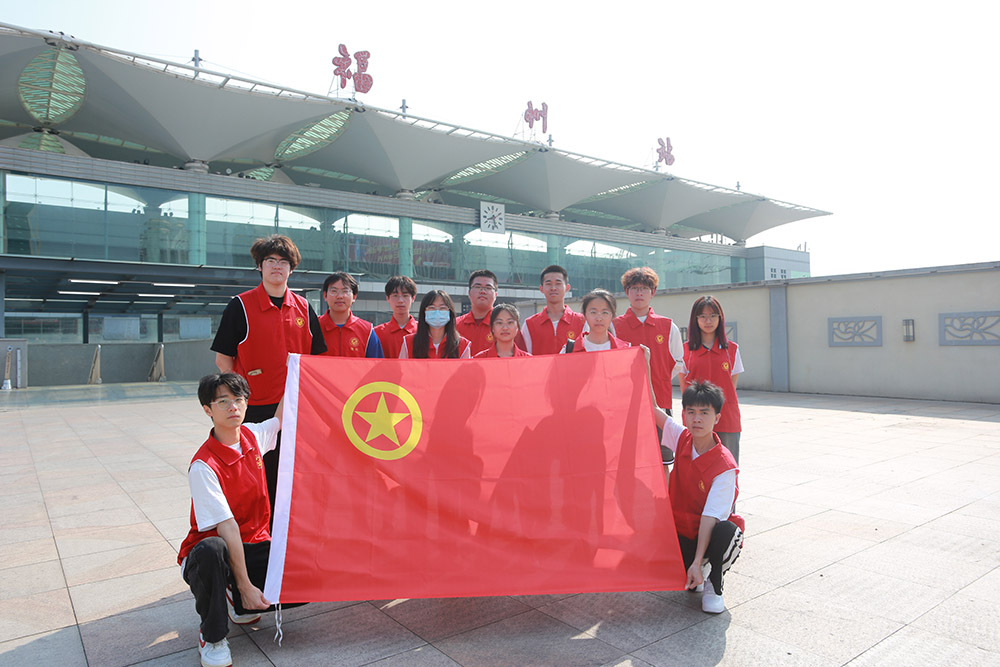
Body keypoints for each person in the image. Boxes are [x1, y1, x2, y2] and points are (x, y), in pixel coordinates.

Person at [211, 234, 325, 516]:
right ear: (260, 266)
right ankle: (260, 532)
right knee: (257, 476)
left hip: (296, 409)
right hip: (256, 410)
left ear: (291, 269)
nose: (277, 266)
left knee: (293, 473)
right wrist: (240, 395)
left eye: (283, 262)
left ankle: (288, 528)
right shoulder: (240, 306)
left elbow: (316, 360)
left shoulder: (303, 308)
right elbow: (223, 359)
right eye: (270, 260)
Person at [178, 373, 280, 667]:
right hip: (210, 554)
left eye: (238, 399)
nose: (233, 407)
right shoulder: (204, 466)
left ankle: (234, 596)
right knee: (213, 551)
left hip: (250, 544)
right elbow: (227, 528)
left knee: (297, 571)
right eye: (223, 401)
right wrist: (246, 586)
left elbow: (280, 419)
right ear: (207, 410)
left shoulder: (251, 436)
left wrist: (296, 371)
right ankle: (212, 637)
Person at [652, 380, 744, 614]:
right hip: (682, 532)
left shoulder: (724, 466)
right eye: (691, 412)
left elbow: (710, 517)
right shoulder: (682, 438)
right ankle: (697, 569)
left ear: (717, 418)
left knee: (727, 531)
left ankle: (714, 581)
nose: (697, 419)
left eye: (704, 413)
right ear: (684, 415)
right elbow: (653, 409)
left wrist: (696, 561)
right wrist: (646, 365)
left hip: (710, 534)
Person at [679, 296, 744, 463]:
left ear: (720, 318)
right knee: (697, 467)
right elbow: (684, 390)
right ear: (695, 319)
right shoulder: (685, 351)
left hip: (727, 419)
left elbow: (731, 386)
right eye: (703, 316)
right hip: (696, 420)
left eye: (713, 316)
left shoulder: (732, 349)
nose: (708, 321)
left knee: (727, 466)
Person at [613, 267, 685, 414]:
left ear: (653, 292)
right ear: (626, 292)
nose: (639, 293)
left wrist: (660, 377)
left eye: (645, 288)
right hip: (624, 402)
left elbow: (678, 362)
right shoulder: (614, 326)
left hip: (660, 401)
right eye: (634, 288)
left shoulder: (668, 326)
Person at [520, 264, 585, 355]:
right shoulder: (529, 324)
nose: (553, 288)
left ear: (567, 288)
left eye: (558, 284)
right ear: (541, 289)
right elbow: (523, 357)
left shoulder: (581, 321)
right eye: (548, 284)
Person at [319, 271, 384, 358]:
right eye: (334, 291)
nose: (340, 296)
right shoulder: (314, 327)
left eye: (345, 291)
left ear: (354, 297)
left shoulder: (367, 331)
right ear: (325, 295)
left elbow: (376, 364)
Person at [400, 290, 472, 359]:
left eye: (442, 308)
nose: (437, 312)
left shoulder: (463, 345)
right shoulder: (408, 343)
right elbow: (402, 367)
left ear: (450, 312)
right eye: (432, 308)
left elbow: (466, 368)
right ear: (424, 312)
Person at [561, 289, 630, 353]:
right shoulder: (569, 350)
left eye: (605, 312)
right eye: (593, 312)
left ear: (612, 315)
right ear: (585, 315)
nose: (599, 318)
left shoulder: (625, 350)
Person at [455, 269, 499, 356]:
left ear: (496, 295)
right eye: (477, 287)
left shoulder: (505, 326)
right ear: (469, 293)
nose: (482, 291)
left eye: (488, 288)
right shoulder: (454, 326)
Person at [373, 275, 418, 360]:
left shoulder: (423, 331)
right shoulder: (377, 333)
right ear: (388, 298)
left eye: (405, 295)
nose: (400, 300)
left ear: (413, 298)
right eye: (395, 295)